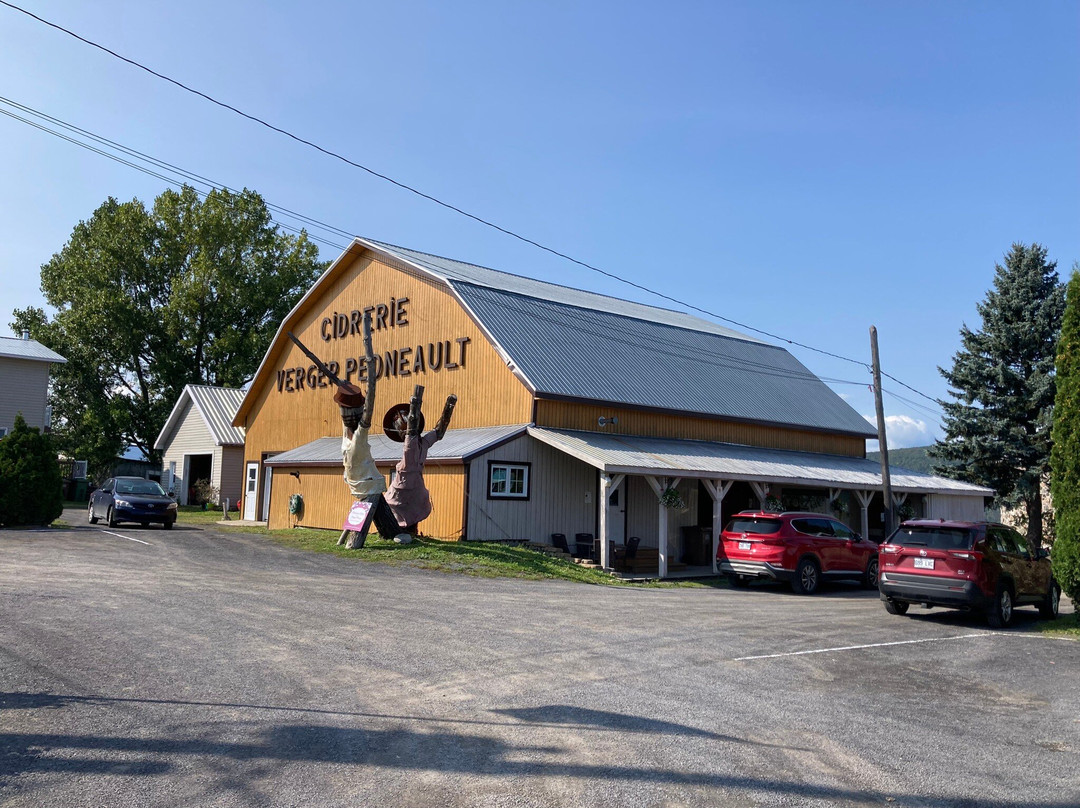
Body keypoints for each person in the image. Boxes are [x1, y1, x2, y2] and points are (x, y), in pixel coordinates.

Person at [383, 389, 457, 543]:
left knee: (395, 503)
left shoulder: (414, 445)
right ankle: (406, 531)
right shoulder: (423, 443)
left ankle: (406, 531)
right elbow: (437, 434)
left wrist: (416, 404)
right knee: (406, 504)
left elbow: (422, 436)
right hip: (414, 485)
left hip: (405, 485)